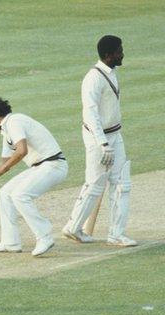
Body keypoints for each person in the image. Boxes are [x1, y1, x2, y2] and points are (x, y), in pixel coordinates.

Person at [0, 97, 68, 256]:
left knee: (20, 195)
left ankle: (44, 236)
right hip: (39, 167)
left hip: (54, 165)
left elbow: (22, 151)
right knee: (5, 193)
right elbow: (3, 165)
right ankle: (10, 242)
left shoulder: (14, 122)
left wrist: (2, 168)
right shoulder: (5, 130)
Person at [61, 35, 136, 246]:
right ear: (108, 55)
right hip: (98, 138)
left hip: (115, 135)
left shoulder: (111, 72)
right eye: (119, 51)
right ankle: (73, 227)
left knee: (122, 183)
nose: (122, 54)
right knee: (95, 184)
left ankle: (116, 234)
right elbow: (90, 114)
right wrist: (103, 143)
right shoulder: (93, 78)